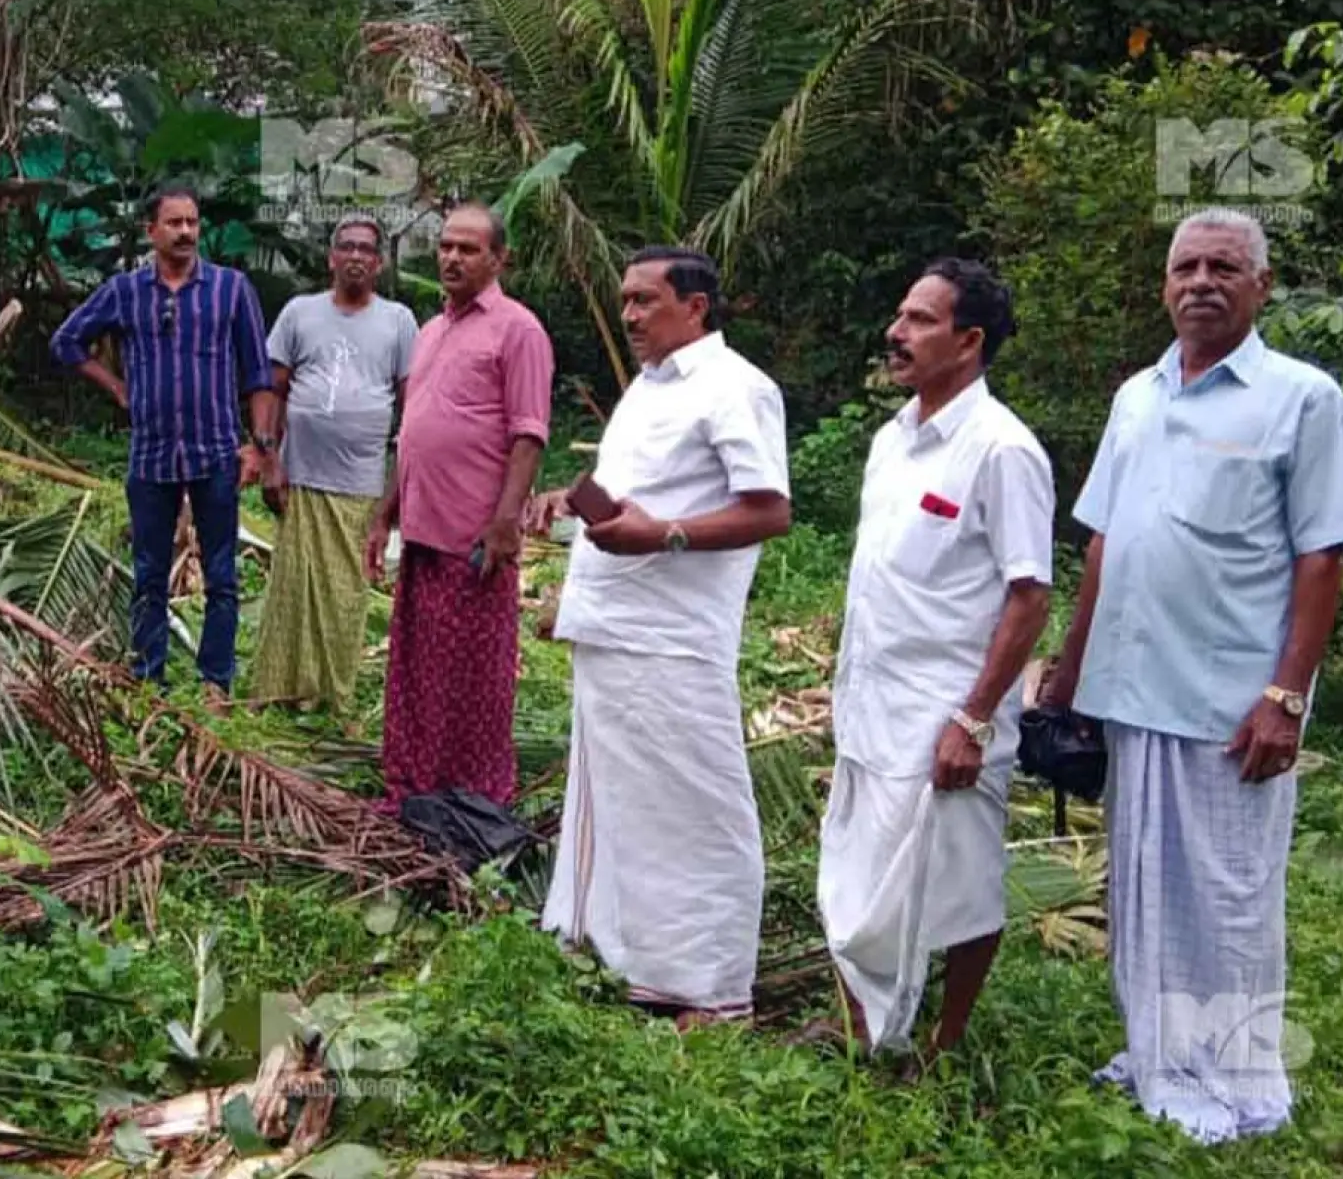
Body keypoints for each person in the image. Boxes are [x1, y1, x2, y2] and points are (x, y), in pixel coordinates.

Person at [1042, 208, 1343, 1143]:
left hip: (1231, 700)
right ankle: (1157, 1052)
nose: (1202, 282)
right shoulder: (1137, 395)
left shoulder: (1301, 398)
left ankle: (1236, 1085)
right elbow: (1106, 538)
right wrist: (1068, 670)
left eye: (1226, 266)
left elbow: (1322, 557)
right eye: (1185, 266)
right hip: (1133, 687)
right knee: (1142, 888)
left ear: (1262, 287)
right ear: (1163, 285)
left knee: (1227, 893)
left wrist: (1287, 696)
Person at [800, 258, 1053, 1068]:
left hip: (949, 707)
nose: (896, 333)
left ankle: (944, 1044)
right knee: (857, 867)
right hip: (873, 696)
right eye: (900, 316)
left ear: (970, 340)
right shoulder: (890, 439)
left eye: (919, 320)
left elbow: (1028, 597)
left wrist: (974, 717)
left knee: (963, 879)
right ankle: (860, 1026)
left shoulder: (1002, 449)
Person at [532, 246, 791, 1028]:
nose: (631, 316)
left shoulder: (736, 388)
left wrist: (664, 537)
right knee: (617, 808)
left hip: (675, 638)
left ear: (696, 307)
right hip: (614, 626)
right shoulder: (647, 390)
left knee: (698, 811)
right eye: (626, 301)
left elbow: (769, 509)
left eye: (646, 301)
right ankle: (630, 963)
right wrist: (575, 505)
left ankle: (711, 990)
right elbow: (638, 497)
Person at [50, 184, 278, 706]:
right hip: (151, 456)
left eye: (192, 223)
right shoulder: (125, 292)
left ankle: (215, 683)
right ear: (150, 230)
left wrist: (261, 447)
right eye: (173, 223)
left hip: (216, 453)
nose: (185, 232)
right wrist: (117, 388)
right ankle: (148, 680)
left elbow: (258, 373)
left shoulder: (229, 289)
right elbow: (66, 341)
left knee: (222, 574)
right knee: (150, 573)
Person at [368, 204, 553, 808]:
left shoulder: (517, 330)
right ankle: (413, 785)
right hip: (422, 529)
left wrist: (505, 522)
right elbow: (412, 430)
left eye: (468, 249)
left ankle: (473, 796)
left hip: (474, 536)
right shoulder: (431, 331)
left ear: (499, 259)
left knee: (473, 679)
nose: (452, 257)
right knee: (417, 671)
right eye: (446, 245)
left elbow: (528, 434)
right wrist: (385, 511)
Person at [251, 216, 419, 709]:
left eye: (366, 249)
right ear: (330, 257)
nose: (355, 257)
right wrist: (269, 462)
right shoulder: (300, 312)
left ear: (380, 262)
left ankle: (331, 696)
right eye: (346, 247)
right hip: (300, 476)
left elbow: (413, 410)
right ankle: (282, 690)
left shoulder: (398, 321)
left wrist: (394, 494)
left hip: (360, 482)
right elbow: (271, 388)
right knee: (293, 592)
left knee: (344, 595)